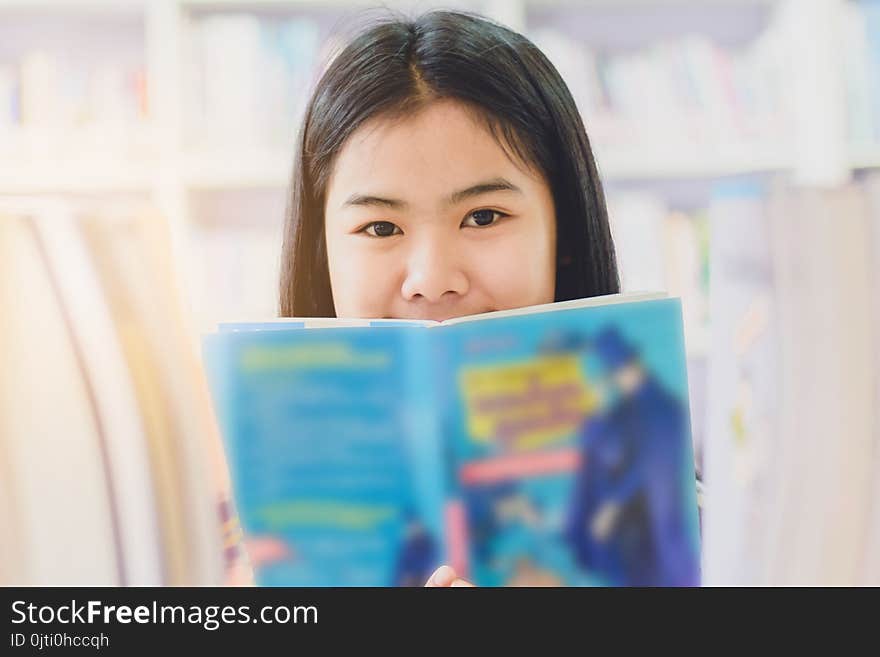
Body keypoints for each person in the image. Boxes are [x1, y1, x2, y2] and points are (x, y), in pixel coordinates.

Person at [234, 8, 620, 587]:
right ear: (323, 252)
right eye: (381, 229)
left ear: (563, 232)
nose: (432, 279)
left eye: (484, 216)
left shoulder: (671, 505)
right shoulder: (244, 521)